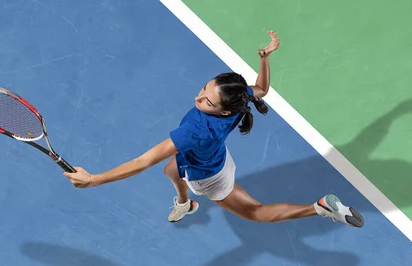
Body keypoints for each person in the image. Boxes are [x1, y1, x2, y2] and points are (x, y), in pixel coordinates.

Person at [63, 31, 364, 228]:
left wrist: (94, 180)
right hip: (215, 156)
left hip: (210, 178)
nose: (198, 98)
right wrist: (265, 59)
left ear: (224, 109)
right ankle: (185, 204)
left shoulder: (195, 129)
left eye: (207, 100)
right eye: (203, 89)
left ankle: (319, 207)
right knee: (171, 169)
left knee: (257, 213)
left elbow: (142, 162)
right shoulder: (239, 100)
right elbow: (261, 88)